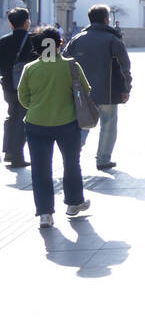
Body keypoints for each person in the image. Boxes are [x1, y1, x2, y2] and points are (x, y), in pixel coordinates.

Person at [17, 26, 91, 226]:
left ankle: (45, 214)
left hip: (36, 124)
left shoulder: (30, 68)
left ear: (37, 48)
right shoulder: (71, 65)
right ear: (60, 44)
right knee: (71, 163)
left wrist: (39, 106)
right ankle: (74, 202)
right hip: (68, 124)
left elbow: (23, 98)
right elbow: (86, 90)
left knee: (41, 169)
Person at [64, 5, 132, 172]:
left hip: (82, 93)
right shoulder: (113, 39)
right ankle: (103, 159)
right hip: (108, 92)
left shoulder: (77, 39)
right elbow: (124, 67)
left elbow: (64, 62)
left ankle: (72, 155)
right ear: (106, 19)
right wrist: (126, 88)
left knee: (83, 124)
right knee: (108, 125)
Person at [1, 7, 36, 167]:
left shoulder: (3, 41)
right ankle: (17, 155)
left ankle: (8, 151)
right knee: (22, 117)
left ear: (11, 23)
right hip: (28, 85)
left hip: (8, 84)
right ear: (27, 22)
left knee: (12, 114)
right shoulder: (34, 40)